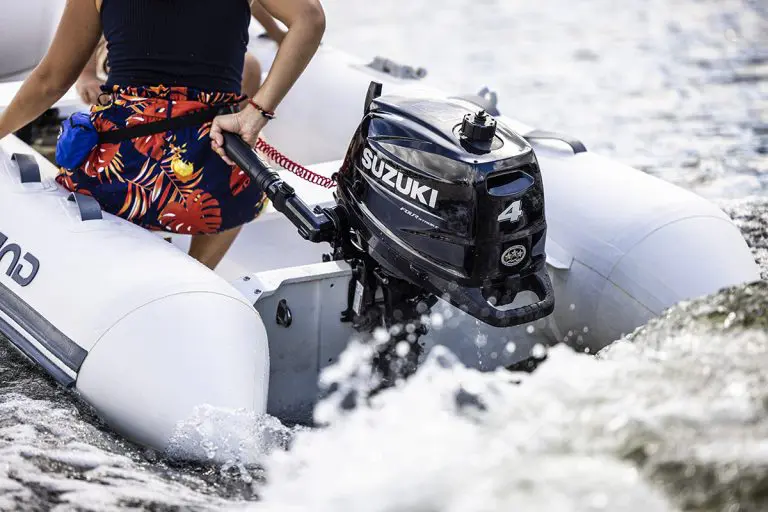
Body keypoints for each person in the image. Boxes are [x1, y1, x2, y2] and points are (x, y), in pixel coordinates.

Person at [0, 0, 325, 270]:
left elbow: (50, 82)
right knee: (239, 178)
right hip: (208, 181)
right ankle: (198, 274)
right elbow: (309, 18)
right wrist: (256, 113)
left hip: (117, 176)